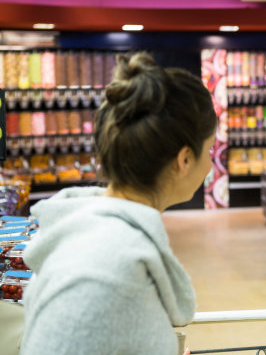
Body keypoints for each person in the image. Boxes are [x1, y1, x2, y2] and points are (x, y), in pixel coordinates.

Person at [20, 53, 218, 354]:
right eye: (210, 150)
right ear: (185, 159)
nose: (210, 165)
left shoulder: (99, 237)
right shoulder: (109, 267)